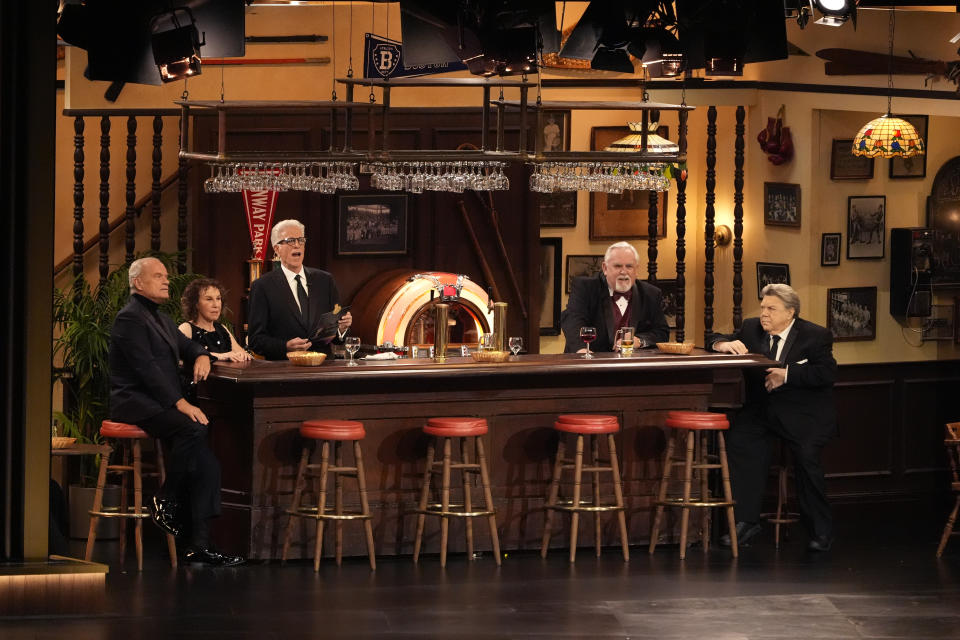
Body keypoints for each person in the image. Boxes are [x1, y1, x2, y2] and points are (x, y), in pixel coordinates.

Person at [109, 257, 244, 566]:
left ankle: (199, 545)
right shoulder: (129, 318)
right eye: (158, 276)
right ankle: (165, 499)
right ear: (139, 283)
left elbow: (189, 346)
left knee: (208, 464)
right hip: (137, 402)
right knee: (193, 428)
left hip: (160, 403)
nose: (167, 280)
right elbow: (148, 372)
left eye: (166, 276)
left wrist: (202, 357)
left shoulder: (161, 318)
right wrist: (181, 404)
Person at [709, 283, 837, 552]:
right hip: (762, 412)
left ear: (790, 313)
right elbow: (715, 336)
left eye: (771, 308)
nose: (764, 314)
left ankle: (819, 530)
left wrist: (787, 374)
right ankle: (745, 522)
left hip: (803, 413)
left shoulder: (815, 336)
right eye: (763, 307)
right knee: (739, 442)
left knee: (806, 458)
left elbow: (826, 374)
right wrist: (723, 343)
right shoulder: (750, 328)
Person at [247, 219, 353, 360]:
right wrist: (285, 346)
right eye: (290, 241)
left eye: (300, 240)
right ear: (277, 248)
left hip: (322, 368)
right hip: (285, 370)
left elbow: (336, 337)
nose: (297, 245)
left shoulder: (325, 280)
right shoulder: (262, 286)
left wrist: (342, 329)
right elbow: (255, 340)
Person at [560, 241, 669, 353]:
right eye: (618, 266)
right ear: (605, 268)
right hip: (591, 364)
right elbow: (572, 322)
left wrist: (640, 341)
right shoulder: (585, 288)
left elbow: (662, 333)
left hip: (634, 366)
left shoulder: (651, 294)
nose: (624, 272)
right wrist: (582, 350)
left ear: (636, 270)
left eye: (629, 266)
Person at [178, 278, 252, 362]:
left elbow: (241, 353)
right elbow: (178, 359)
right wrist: (221, 356)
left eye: (218, 298)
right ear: (196, 304)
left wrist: (244, 355)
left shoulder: (221, 328)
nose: (216, 305)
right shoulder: (186, 328)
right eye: (209, 299)